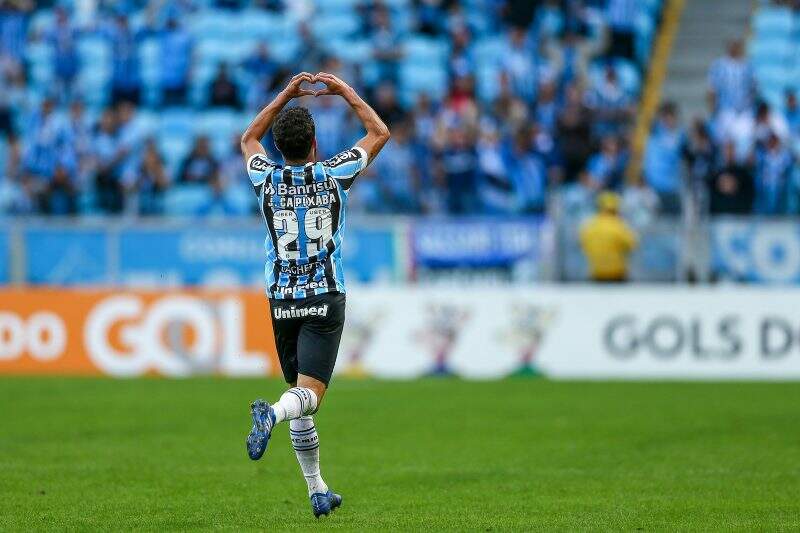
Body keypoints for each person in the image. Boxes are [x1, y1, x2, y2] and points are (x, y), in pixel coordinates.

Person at [239, 72, 390, 517]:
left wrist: (284, 91)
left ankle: (317, 490)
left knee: (299, 397)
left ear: (280, 148)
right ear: (315, 143)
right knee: (308, 397)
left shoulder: (266, 180)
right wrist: (343, 91)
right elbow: (379, 132)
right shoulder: (335, 174)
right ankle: (270, 413)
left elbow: (249, 137)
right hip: (324, 296)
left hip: (281, 301)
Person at [579, 192, 638, 282]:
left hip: (596, 274)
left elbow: (582, 244)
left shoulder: (589, 226)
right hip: (617, 274)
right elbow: (632, 244)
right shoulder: (619, 226)